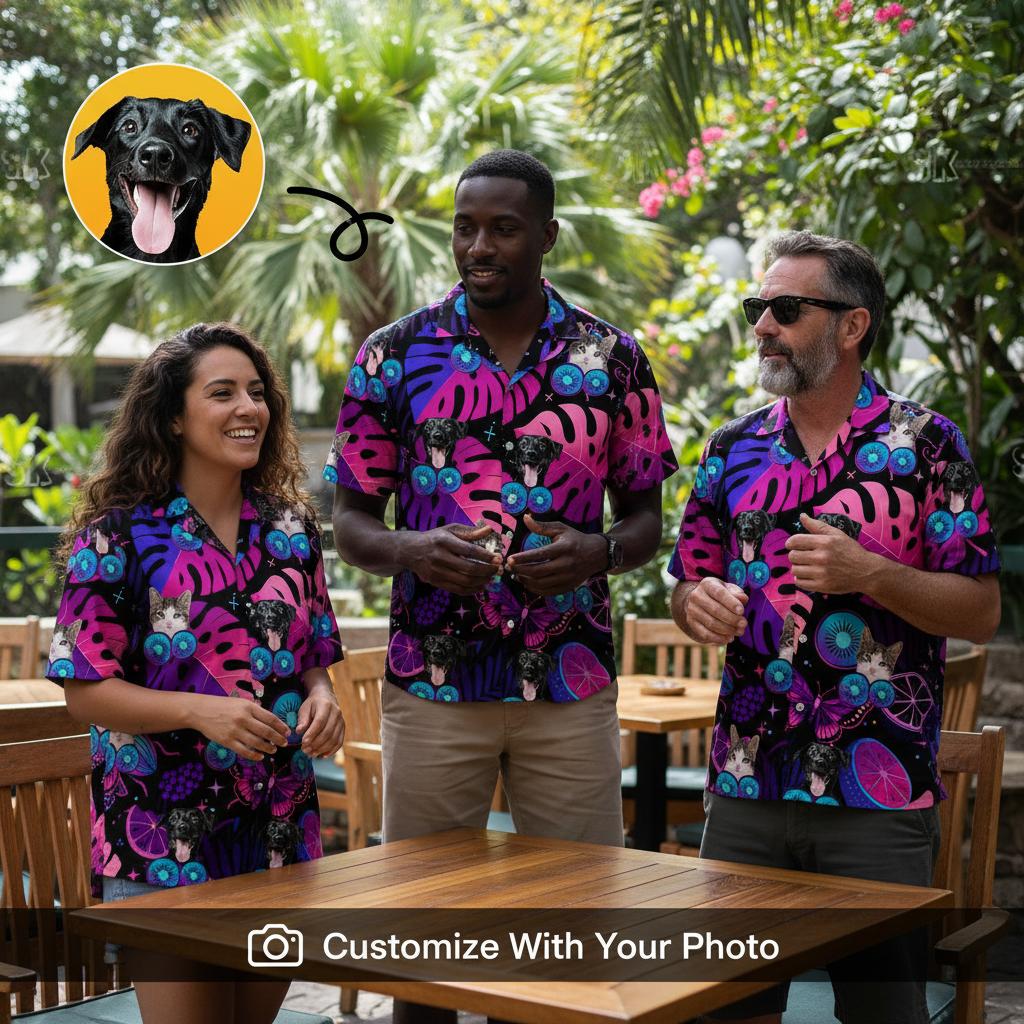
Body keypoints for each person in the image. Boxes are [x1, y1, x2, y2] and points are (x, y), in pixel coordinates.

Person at [668, 231, 1001, 1024]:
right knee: (726, 1012)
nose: (763, 327)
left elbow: (982, 609)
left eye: (786, 309)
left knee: (881, 1014)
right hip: (748, 785)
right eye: (759, 308)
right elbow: (687, 579)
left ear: (853, 327)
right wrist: (696, 603)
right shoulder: (730, 449)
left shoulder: (927, 446)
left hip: (875, 795)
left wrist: (872, 573)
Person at [325, 148, 676, 840]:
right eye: (465, 228)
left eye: (503, 228)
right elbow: (350, 527)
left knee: (579, 905)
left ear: (547, 235)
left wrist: (596, 553)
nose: (478, 247)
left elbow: (645, 522)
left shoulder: (613, 358)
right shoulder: (391, 354)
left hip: (571, 683)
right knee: (424, 907)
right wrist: (414, 549)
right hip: (433, 683)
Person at [48, 322, 344, 1024]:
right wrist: (197, 710)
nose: (249, 407)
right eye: (222, 393)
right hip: (161, 837)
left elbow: (313, 657)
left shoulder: (293, 527)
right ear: (174, 416)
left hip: (278, 832)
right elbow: (85, 692)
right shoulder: (116, 535)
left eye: (256, 391)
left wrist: (324, 698)